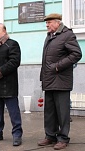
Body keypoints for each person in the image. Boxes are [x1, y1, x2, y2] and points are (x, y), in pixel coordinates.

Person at [38, 13, 82, 150]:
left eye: (49, 22)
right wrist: (43, 76)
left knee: (63, 112)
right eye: (46, 23)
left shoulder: (67, 35)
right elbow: (46, 59)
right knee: (49, 111)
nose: (47, 25)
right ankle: (50, 136)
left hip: (61, 80)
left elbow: (76, 54)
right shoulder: (50, 36)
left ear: (57, 23)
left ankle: (63, 138)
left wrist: (58, 66)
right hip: (49, 79)